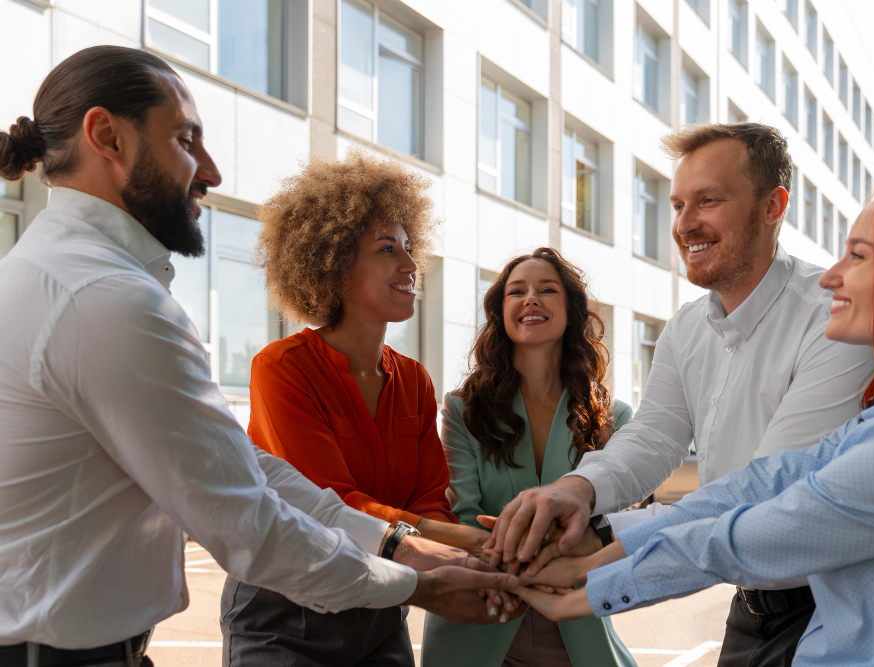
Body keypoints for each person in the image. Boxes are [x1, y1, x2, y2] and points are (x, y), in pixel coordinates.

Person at [0, 46, 514, 667]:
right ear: (106, 135)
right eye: (187, 139)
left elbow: (243, 466)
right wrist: (417, 583)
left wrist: (399, 545)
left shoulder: (81, 281)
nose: (211, 171)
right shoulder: (102, 298)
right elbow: (247, 521)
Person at [516, 177, 874, 666]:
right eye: (678, 203)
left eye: (858, 256)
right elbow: (761, 484)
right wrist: (598, 555)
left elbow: (753, 533)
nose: (833, 275)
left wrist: (589, 589)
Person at [485, 123, 874, 665]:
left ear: (772, 206)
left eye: (708, 201)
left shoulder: (835, 319)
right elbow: (652, 437)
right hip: (747, 605)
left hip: (832, 610)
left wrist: (600, 553)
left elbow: (767, 492)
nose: (684, 224)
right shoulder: (685, 327)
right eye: (677, 204)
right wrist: (579, 488)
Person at [221, 153, 496, 666]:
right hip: (287, 612)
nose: (411, 266)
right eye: (387, 249)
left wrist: (462, 548)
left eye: (410, 249)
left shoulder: (413, 379)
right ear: (336, 263)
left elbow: (430, 497)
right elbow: (333, 504)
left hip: (384, 606)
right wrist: (472, 543)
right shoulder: (282, 367)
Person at [421, 248, 637, 667]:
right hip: (482, 615)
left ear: (571, 310)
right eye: (516, 291)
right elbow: (463, 517)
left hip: (577, 627)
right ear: (501, 312)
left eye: (547, 290)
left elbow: (611, 528)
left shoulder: (615, 417)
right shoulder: (462, 409)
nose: (530, 299)